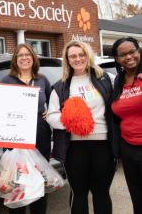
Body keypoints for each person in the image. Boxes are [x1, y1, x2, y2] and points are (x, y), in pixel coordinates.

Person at [46, 41, 118, 214]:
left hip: (103, 145)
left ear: (88, 55)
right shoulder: (61, 86)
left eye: (81, 54)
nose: (78, 59)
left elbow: (122, 101)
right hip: (74, 147)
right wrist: (72, 120)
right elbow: (51, 115)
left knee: (101, 192)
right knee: (79, 194)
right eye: (73, 56)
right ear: (67, 59)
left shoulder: (106, 78)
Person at [0, 43, 51, 214]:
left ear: (33, 58)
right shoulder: (6, 81)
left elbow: (52, 103)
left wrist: (49, 114)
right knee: (18, 184)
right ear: (15, 59)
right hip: (16, 139)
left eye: (27, 54)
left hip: (41, 137)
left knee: (38, 182)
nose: (24, 58)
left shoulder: (42, 79)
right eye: (20, 55)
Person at [111, 37, 142, 214]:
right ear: (117, 59)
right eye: (123, 54)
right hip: (128, 148)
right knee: (137, 198)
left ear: (138, 52)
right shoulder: (119, 81)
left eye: (132, 52)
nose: (129, 57)